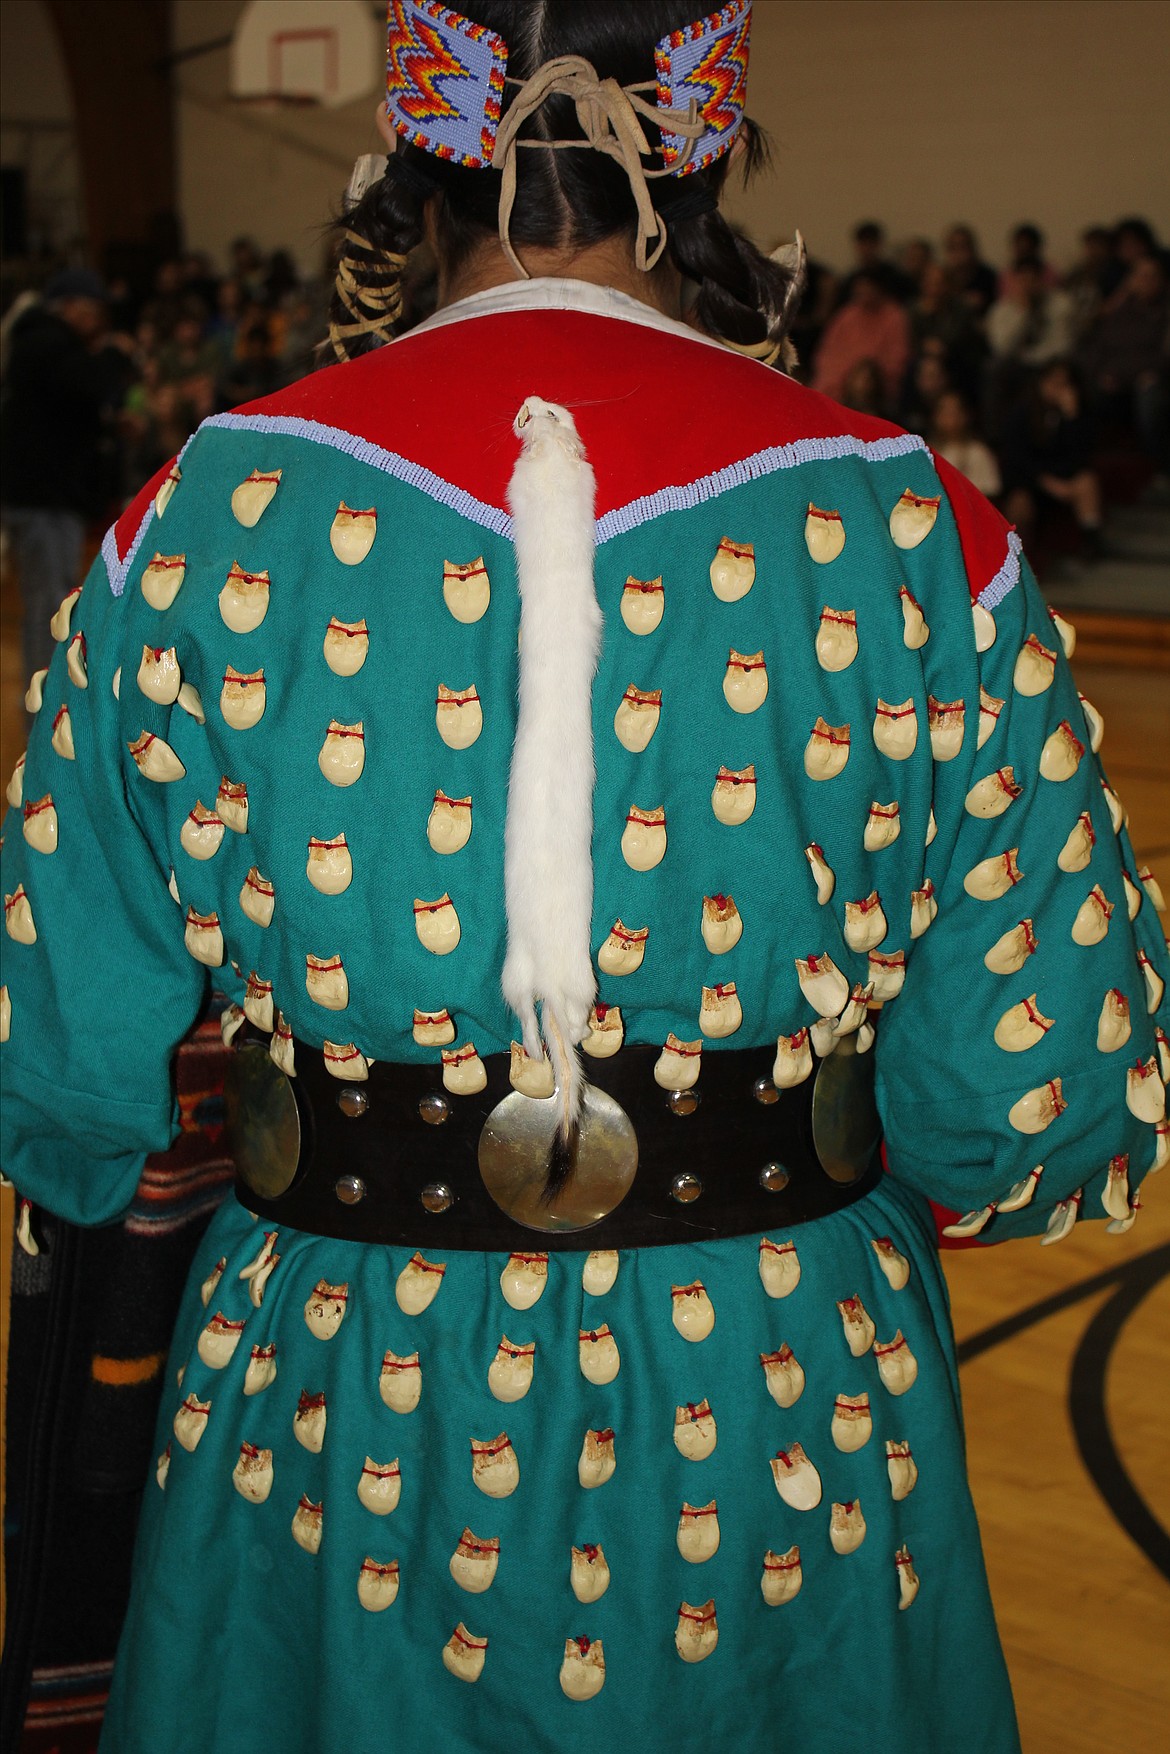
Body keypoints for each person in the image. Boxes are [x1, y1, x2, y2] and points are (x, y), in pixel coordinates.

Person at [2, 5, 1166, 1752]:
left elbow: (61, 1061)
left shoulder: (204, 513)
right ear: (707, 157)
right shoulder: (919, 527)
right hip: (778, 1388)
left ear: (413, 160)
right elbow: (1035, 1091)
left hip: (334, 1392)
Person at [0, 267, 133, 685]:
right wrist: (116, 353)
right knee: (50, 607)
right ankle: (44, 714)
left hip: (39, 497)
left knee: (48, 602)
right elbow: (100, 385)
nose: (98, 323)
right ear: (72, 307)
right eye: (94, 311)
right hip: (46, 500)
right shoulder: (50, 344)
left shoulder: (36, 342)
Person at [1000, 359, 1103, 556]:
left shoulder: (1081, 416)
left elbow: (1082, 456)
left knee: (1087, 482)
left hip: (1065, 477)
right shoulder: (1022, 413)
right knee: (1019, 503)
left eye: (1063, 384)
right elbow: (1017, 458)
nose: (1057, 389)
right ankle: (1016, 556)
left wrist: (1072, 418)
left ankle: (1091, 541)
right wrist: (1047, 482)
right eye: (1052, 382)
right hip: (1030, 482)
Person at [811, 268, 912, 406]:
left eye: (868, 287)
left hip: (876, 381)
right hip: (840, 379)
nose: (863, 291)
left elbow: (896, 359)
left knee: (863, 379)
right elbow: (827, 353)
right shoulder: (846, 315)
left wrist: (864, 371)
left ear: (879, 289)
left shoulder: (894, 317)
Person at [928, 387, 1002, 498]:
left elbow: (990, 492)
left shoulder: (979, 452)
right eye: (945, 411)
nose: (950, 417)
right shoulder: (926, 453)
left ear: (965, 415)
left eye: (955, 411)